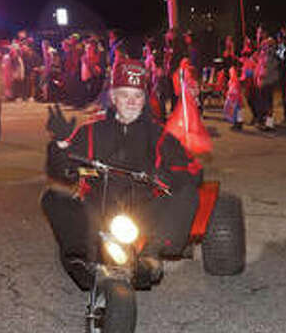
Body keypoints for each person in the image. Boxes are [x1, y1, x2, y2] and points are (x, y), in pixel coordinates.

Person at [40, 59, 201, 290]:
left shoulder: (159, 135)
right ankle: (81, 261)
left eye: (137, 96)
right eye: (125, 95)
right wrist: (61, 145)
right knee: (53, 198)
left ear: (145, 100)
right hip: (99, 206)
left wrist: (166, 176)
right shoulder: (91, 131)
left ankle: (150, 257)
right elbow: (61, 171)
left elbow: (191, 169)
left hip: (143, 209)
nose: (131, 102)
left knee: (187, 193)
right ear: (113, 98)